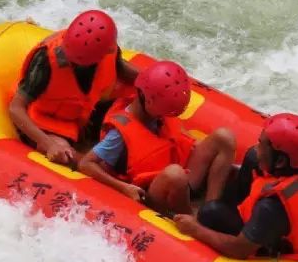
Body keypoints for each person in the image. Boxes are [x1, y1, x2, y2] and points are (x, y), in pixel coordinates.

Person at [172, 113, 298, 260]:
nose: (257, 148)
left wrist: (195, 229)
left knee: (210, 213)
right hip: (284, 218)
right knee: (251, 158)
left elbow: (239, 249)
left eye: (262, 145)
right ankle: (230, 205)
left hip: (277, 241)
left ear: (281, 161)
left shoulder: (272, 207)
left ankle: (207, 213)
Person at [78, 60, 236, 215]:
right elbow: (86, 164)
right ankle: (192, 220)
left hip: (182, 172)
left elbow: (179, 138)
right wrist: (123, 187)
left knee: (225, 137)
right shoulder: (118, 134)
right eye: (164, 112)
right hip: (154, 191)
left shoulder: (159, 107)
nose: (166, 116)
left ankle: (210, 210)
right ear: (147, 100)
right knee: (175, 174)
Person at [9, 10, 139, 166]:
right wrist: (49, 144)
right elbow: (16, 108)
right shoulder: (45, 61)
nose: (75, 63)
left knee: (138, 106)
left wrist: (150, 81)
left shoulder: (106, 46)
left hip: (83, 115)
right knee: (65, 154)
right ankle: (103, 174)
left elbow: (119, 68)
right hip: (46, 122)